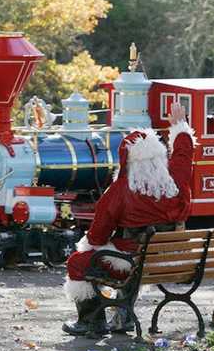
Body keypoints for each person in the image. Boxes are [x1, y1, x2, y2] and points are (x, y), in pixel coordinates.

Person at [62, 103, 195, 336]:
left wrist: (88, 245)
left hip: (133, 262)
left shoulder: (121, 190)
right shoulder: (175, 180)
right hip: (168, 258)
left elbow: (97, 235)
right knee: (129, 254)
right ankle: (122, 316)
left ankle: (91, 321)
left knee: (79, 261)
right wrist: (180, 126)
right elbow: (184, 155)